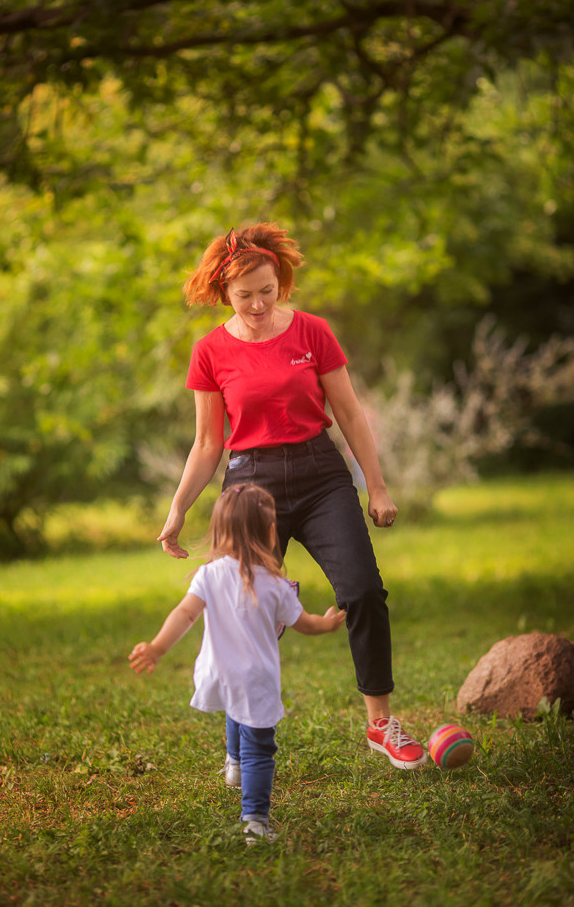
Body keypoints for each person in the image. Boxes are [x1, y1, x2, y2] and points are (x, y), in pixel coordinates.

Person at [158, 223, 427, 770]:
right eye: (245, 295)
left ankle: (380, 724)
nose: (258, 304)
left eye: (268, 290)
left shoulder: (312, 332)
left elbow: (349, 413)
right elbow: (208, 443)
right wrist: (177, 509)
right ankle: (241, 740)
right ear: (224, 292)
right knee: (245, 612)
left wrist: (377, 486)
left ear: (280, 281)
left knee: (363, 590)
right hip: (250, 486)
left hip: (321, 473)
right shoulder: (210, 351)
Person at [130, 482, 345, 843]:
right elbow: (305, 624)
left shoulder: (209, 574)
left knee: (235, 705)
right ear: (271, 533)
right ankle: (255, 821)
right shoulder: (275, 584)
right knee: (260, 748)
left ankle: (233, 762)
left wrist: (156, 647)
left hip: (218, 670)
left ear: (220, 531)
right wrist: (327, 624)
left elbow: (184, 614)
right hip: (255, 677)